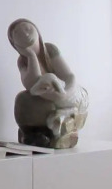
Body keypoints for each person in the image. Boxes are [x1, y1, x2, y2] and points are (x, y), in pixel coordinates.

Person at [7, 18, 89, 148]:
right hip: (43, 96)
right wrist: (31, 56)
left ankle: (64, 123)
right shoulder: (22, 61)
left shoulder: (50, 49)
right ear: (14, 43)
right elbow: (32, 84)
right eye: (17, 33)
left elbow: (69, 76)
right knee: (22, 99)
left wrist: (66, 93)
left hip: (64, 92)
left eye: (28, 28)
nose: (25, 34)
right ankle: (36, 134)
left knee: (77, 95)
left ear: (37, 31)